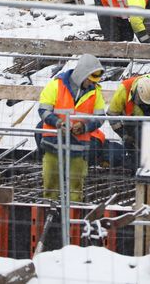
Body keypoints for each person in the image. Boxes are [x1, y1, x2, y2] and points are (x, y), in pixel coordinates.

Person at [37, 54, 106, 202]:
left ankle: (73, 219)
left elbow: (100, 117)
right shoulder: (56, 85)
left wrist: (84, 127)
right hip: (53, 144)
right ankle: (50, 212)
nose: (90, 83)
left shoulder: (95, 92)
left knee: (76, 188)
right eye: (89, 79)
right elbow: (43, 110)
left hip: (78, 148)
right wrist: (57, 123)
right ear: (82, 74)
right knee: (50, 186)